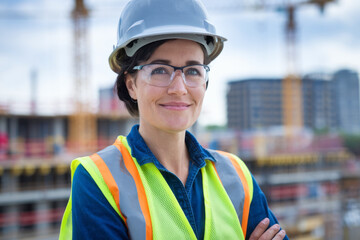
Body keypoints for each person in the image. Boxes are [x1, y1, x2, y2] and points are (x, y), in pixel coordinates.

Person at [60, 0, 289, 239]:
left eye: (192, 71)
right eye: (160, 70)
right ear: (131, 85)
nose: (179, 88)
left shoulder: (236, 176)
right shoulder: (99, 181)